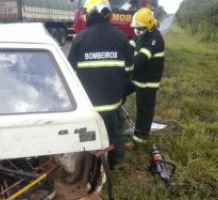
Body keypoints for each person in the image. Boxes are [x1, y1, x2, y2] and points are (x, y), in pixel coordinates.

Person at [68, 0, 133, 169]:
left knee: (87, 137)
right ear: (108, 14)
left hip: (88, 106)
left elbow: (70, 72)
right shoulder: (121, 37)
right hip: (113, 104)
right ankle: (112, 164)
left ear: (89, 15)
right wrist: (122, 92)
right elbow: (130, 71)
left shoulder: (79, 38)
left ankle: (88, 165)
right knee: (114, 135)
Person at [130, 7, 165, 143]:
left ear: (149, 26)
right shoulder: (140, 34)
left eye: (140, 29)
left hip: (148, 81)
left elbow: (140, 60)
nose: (137, 32)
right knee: (120, 92)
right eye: (135, 29)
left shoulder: (155, 39)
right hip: (138, 78)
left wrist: (124, 67)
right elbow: (130, 46)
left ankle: (141, 138)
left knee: (144, 109)